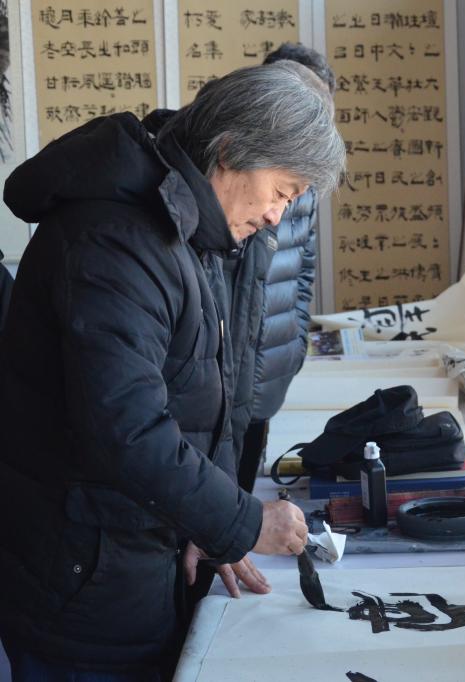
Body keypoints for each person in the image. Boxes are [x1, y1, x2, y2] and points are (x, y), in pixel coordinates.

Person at [0, 61, 345, 680]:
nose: (276, 216)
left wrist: (207, 523)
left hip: (128, 556)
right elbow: (125, 429)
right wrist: (241, 521)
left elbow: (202, 392)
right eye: (282, 191)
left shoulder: (182, 224)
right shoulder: (115, 237)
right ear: (231, 150)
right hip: (83, 584)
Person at [232, 43, 336, 493]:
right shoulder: (241, 171)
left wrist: (294, 344)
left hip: (274, 355)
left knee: (245, 480)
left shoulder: (304, 183)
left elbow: (305, 267)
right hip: (228, 361)